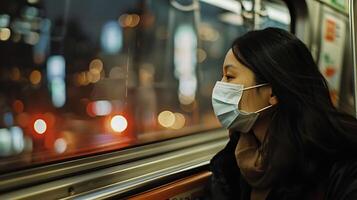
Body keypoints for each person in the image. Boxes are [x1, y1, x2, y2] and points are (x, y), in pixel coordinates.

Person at [208, 27, 357, 200]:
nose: (220, 85)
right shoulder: (234, 160)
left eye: (230, 76)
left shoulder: (337, 164)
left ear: (272, 93)